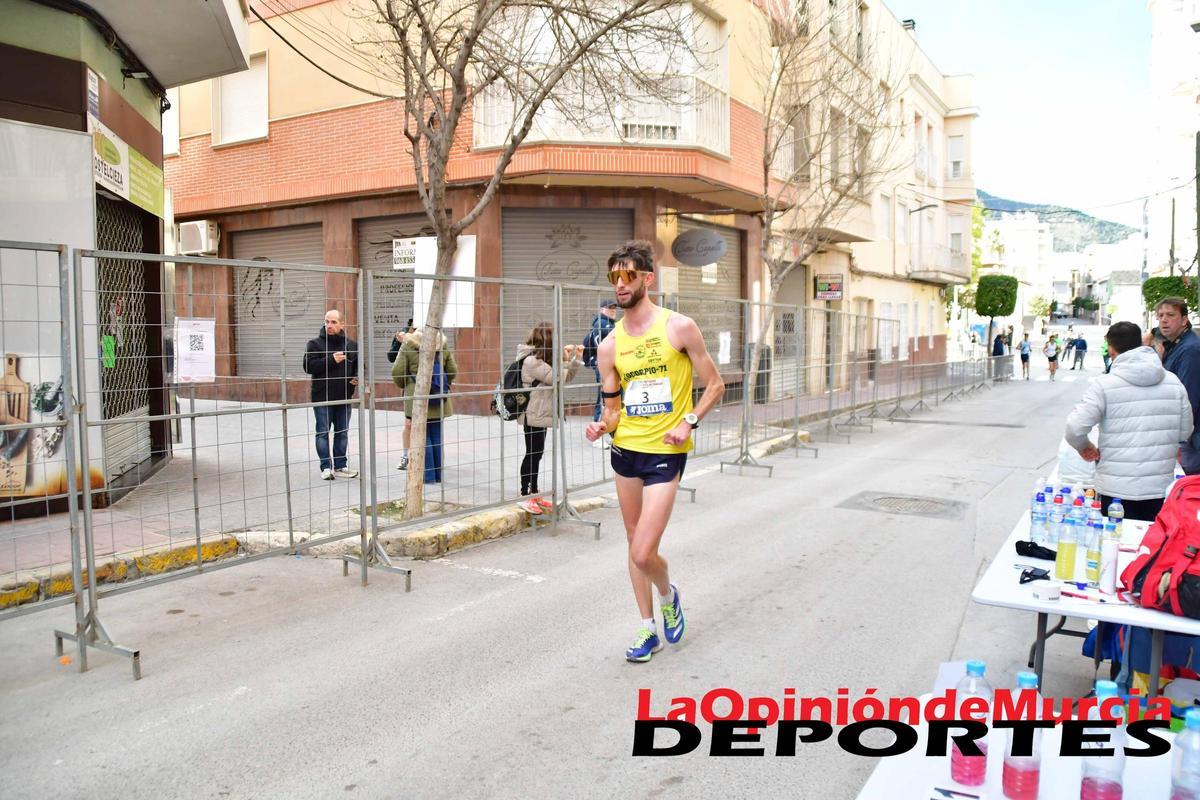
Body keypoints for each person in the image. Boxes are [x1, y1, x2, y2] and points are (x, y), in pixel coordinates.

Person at [584, 240, 725, 663]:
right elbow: (612, 410)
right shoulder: (608, 346)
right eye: (615, 276)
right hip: (625, 450)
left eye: (629, 275)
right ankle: (647, 629)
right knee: (632, 544)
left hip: (667, 450)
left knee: (645, 551)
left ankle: (669, 595)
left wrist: (690, 421)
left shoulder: (679, 327)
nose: (621, 283)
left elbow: (715, 384)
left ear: (647, 279)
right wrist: (600, 425)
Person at [1065, 321, 1192, 522]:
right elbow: (1185, 431)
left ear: (1112, 350)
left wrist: (1085, 447)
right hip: (1158, 488)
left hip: (1115, 489)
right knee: (1149, 546)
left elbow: (1074, 427)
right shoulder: (1173, 382)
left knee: (1114, 544)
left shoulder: (1104, 385)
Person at [514, 324, 583, 512]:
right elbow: (559, 378)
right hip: (532, 414)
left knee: (537, 453)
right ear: (548, 341)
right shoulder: (531, 361)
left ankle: (534, 492)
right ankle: (524, 494)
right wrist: (567, 359)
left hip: (541, 413)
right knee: (532, 453)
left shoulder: (542, 360)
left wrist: (574, 360)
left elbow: (563, 379)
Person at [392, 327, 457, 484]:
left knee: (422, 437)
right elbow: (452, 371)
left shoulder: (408, 344)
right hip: (438, 397)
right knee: (436, 435)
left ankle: (427, 477)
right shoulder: (442, 343)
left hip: (417, 398)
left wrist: (407, 385)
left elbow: (397, 372)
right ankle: (437, 475)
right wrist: (439, 382)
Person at [303, 309, 359, 480]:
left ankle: (340, 466)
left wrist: (356, 378)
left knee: (342, 432)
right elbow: (308, 367)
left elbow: (357, 366)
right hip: (322, 397)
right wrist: (331, 360)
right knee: (322, 432)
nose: (329, 325)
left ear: (342, 324)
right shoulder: (314, 344)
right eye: (327, 321)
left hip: (343, 397)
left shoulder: (351, 345)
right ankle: (326, 467)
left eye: (334, 322)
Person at [1156, 297, 1200, 474]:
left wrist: (1180, 440)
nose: (1164, 320)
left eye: (1170, 315)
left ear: (1184, 320)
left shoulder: (1190, 349)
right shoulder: (1176, 344)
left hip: (1192, 439)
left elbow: (1189, 399)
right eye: (1160, 315)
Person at [584, 300, 619, 447]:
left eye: (614, 307)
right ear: (601, 309)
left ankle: (608, 434)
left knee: (610, 401)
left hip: (607, 367)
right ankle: (598, 437)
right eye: (609, 307)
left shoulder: (606, 324)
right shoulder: (603, 325)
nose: (613, 310)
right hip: (605, 368)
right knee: (604, 400)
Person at [387, 318, 416, 470]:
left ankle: (428, 458)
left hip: (431, 387)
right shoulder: (403, 332)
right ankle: (406, 456)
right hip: (411, 385)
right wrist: (399, 342)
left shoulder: (433, 334)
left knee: (430, 424)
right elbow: (391, 357)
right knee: (409, 423)